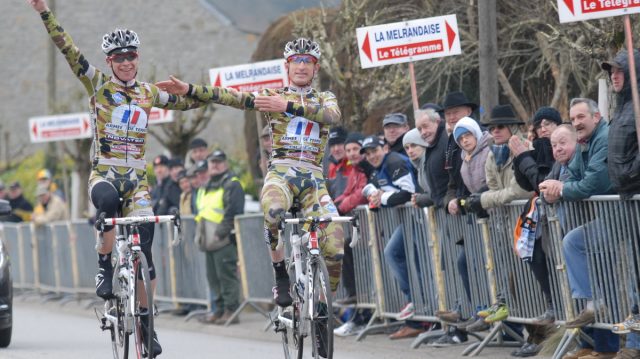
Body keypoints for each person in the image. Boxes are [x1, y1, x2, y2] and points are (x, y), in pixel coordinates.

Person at [27, 0, 207, 355]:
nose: (126, 63)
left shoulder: (148, 93)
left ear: (137, 58)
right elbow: (67, 47)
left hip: (138, 182)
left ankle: (145, 322)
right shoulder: (98, 85)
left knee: (147, 254)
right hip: (105, 175)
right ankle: (104, 266)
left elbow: (191, 103)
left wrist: (189, 90)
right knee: (107, 203)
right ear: (109, 62)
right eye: (118, 58)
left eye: (131, 56)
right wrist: (45, 13)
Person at [156, 37, 344, 356]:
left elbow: (332, 117)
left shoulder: (324, 96)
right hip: (281, 174)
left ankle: (323, 309)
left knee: (336, 245)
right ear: (287, 67)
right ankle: (281, 275)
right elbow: (229, 96)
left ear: (315, 68)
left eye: (307, 61)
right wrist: (189, 89)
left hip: (313, 177)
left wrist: (288, 107)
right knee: (272, 212)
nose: (301, 66)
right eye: (295, 61)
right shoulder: (271, 94)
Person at [540, 98, 619, 359]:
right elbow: (569, 179)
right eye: (573, 118)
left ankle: (614, 346)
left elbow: (591, 184)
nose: (577, 122)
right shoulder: (585, 144)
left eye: (581, 117)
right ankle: (594, 342)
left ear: (596, 117)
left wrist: (561, 190)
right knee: (580, 257)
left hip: (618, 220)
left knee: (613, 287)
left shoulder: (603, 139)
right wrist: (553, 191)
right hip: (599, 222)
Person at [509, 106, 562, 357]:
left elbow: (541, 180)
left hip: (560, 216)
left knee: (558, 262)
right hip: (539, 217)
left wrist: (522, 157)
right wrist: (520, 159)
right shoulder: (538, 147)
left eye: (548, 122)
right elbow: (525, 182)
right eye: (538, 123)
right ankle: (552, 305)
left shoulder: (555, 147)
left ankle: (560, 311)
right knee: (534, 257)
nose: (543, 127)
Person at [359, 135, 420, 339]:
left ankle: (416, 305)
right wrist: (374, 199)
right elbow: (375, 203)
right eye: (367, 154)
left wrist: (381, 198)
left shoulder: (394, 161)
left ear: (384, 148)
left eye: (374, 151)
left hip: (419, 218)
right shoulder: (377, 169)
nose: (371, 156)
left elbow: (408, 194)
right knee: (396, 255)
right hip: (409, 220)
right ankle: (416, 312)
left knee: (393, 253)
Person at [602, 50, 640, 359]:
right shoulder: (623, 107)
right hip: (625, 200)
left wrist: (630, 173)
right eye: (611, 72)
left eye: (620, 71)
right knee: (633, 274)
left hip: (636, 195)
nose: (614, 76)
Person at [432, 91, 478, 347]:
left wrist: (468, 199)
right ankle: (470, 311)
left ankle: (480, 313)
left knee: (476, 264)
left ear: (468, 112)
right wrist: (451, 198)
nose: (450, 116)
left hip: (480, 210)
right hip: (461, 209)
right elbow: (451, 178)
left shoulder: (476, 138)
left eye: (455, 111)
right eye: (447, 113)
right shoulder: (451, 141)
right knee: (460, 262)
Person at [194, 150, 244, 325]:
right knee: (214, 279)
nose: (215, 165)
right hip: (209, 241)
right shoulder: (207, 186)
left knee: (227, 278)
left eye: (219, 161)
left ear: (226, 164)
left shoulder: (231, 184)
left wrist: (220, 233)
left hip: (223, 240)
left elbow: (233, 212)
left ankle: (231, 311)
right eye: (212, 162)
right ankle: (219, 310)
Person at [413, 106, 449, 209]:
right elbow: (437, 192)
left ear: (437, 121)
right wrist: (421, 199)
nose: (423, 132)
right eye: (419, 129)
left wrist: (454, 202)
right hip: (447, 207)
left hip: (459, 206)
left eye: (426, 126)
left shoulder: (446, 141)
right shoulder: (432, 145)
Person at [326, 126, 350, 198]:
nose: (336, 149)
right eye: (332, 145)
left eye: (339, 144)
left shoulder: (355, 163)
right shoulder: (331, 167)